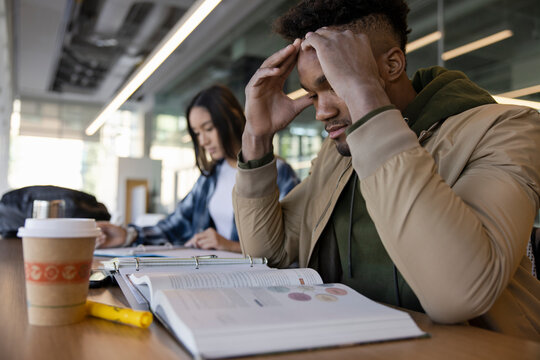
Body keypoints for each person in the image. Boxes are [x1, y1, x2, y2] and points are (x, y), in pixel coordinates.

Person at [232, 0, 540, 340]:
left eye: (333, 83)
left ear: (392, 64)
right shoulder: (339, 153)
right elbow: (266, 255)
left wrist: (364, 95)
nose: (320, 112)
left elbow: (459, 295)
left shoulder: (508, 129)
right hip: (352, 341)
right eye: (312, 93)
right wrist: (256, 138)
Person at [97, 84, 299, 252]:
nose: (203, 141)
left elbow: (291, 242)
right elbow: (174, 226)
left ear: (232, 120)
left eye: (209, 129)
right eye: (197, 133)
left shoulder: (278, 172)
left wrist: (228, 245)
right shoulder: (211, 177)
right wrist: (127, 234)